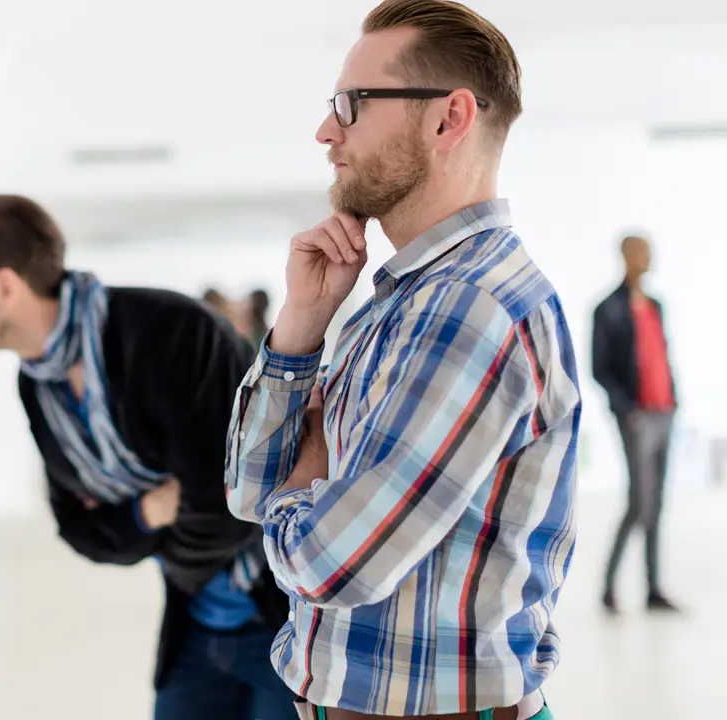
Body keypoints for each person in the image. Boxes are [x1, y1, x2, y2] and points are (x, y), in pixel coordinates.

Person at [223, 2, 579, 719]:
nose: (327, 132)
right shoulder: (400, 301)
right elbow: (245, 492)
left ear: (448, 119)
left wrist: (300, 488)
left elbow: (336, 562)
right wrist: (301, 326)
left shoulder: (472, 308)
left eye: (351, 106)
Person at [0, 195, 296, 720]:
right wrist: (154, 509)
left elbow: (235, 504)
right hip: (194, 627)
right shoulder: (38, 387)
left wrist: (145, 522)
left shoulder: (172, 331)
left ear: (4, 288)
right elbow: (82, 531)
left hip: (286, 625)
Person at [592, 234, 680, 614]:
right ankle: (609, 587)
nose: (649, 256)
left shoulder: (657, 306)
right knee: (639, 502)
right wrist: (627, 410)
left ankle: (653, 589)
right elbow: (600, 368)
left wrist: (674, 398)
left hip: (665, 413)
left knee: (656, 504)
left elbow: (660, 354)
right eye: (643, 250)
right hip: (638, 418)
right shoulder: (607, 309)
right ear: (628, 256)